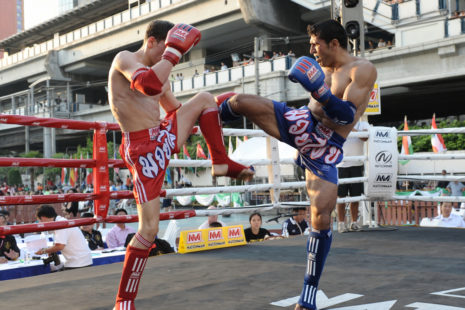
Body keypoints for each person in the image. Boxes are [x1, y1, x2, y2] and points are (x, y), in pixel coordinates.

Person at [215, 19, 377, 310]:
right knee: (239, 102)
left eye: (316, 45)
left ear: (335, 44)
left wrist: (320, 91)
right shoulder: (323, 69)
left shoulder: (361, 69)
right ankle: (193, 125)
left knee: (322, 219)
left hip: (325, 147)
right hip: (300, 123)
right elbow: (316, 105)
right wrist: (318, 90)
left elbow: (344, 117)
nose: (312, 50)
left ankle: (308, 295)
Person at [108, 20, 254, 309]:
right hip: (142, 152)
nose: (169, 58)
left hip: (161, 138)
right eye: (165, 49)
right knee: (149, 230)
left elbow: (174, 110)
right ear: (152, 42)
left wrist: (214, 111)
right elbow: (146, 85)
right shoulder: (125, 59)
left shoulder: (162, 69)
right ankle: (124, 301)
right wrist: (172, 53)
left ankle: (220, 162)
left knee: (203, 99)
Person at [336, 120, 370, 233]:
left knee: (356, 196)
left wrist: (350, 127)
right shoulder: (339, 122)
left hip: (357, 164)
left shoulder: (363, 123)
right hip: (341, 164)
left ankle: (354, 222)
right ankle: (341, 223)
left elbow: (365, 137)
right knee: (341, 197)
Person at [35, 205, 92, 269]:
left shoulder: (60, 223)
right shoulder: (60, 221)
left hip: (78, 263)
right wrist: (51, 249)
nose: (40, 223)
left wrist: (44, 251)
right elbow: (59, 243)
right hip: (82, 261)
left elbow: (60, 246)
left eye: (40, 220)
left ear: (43, 218)